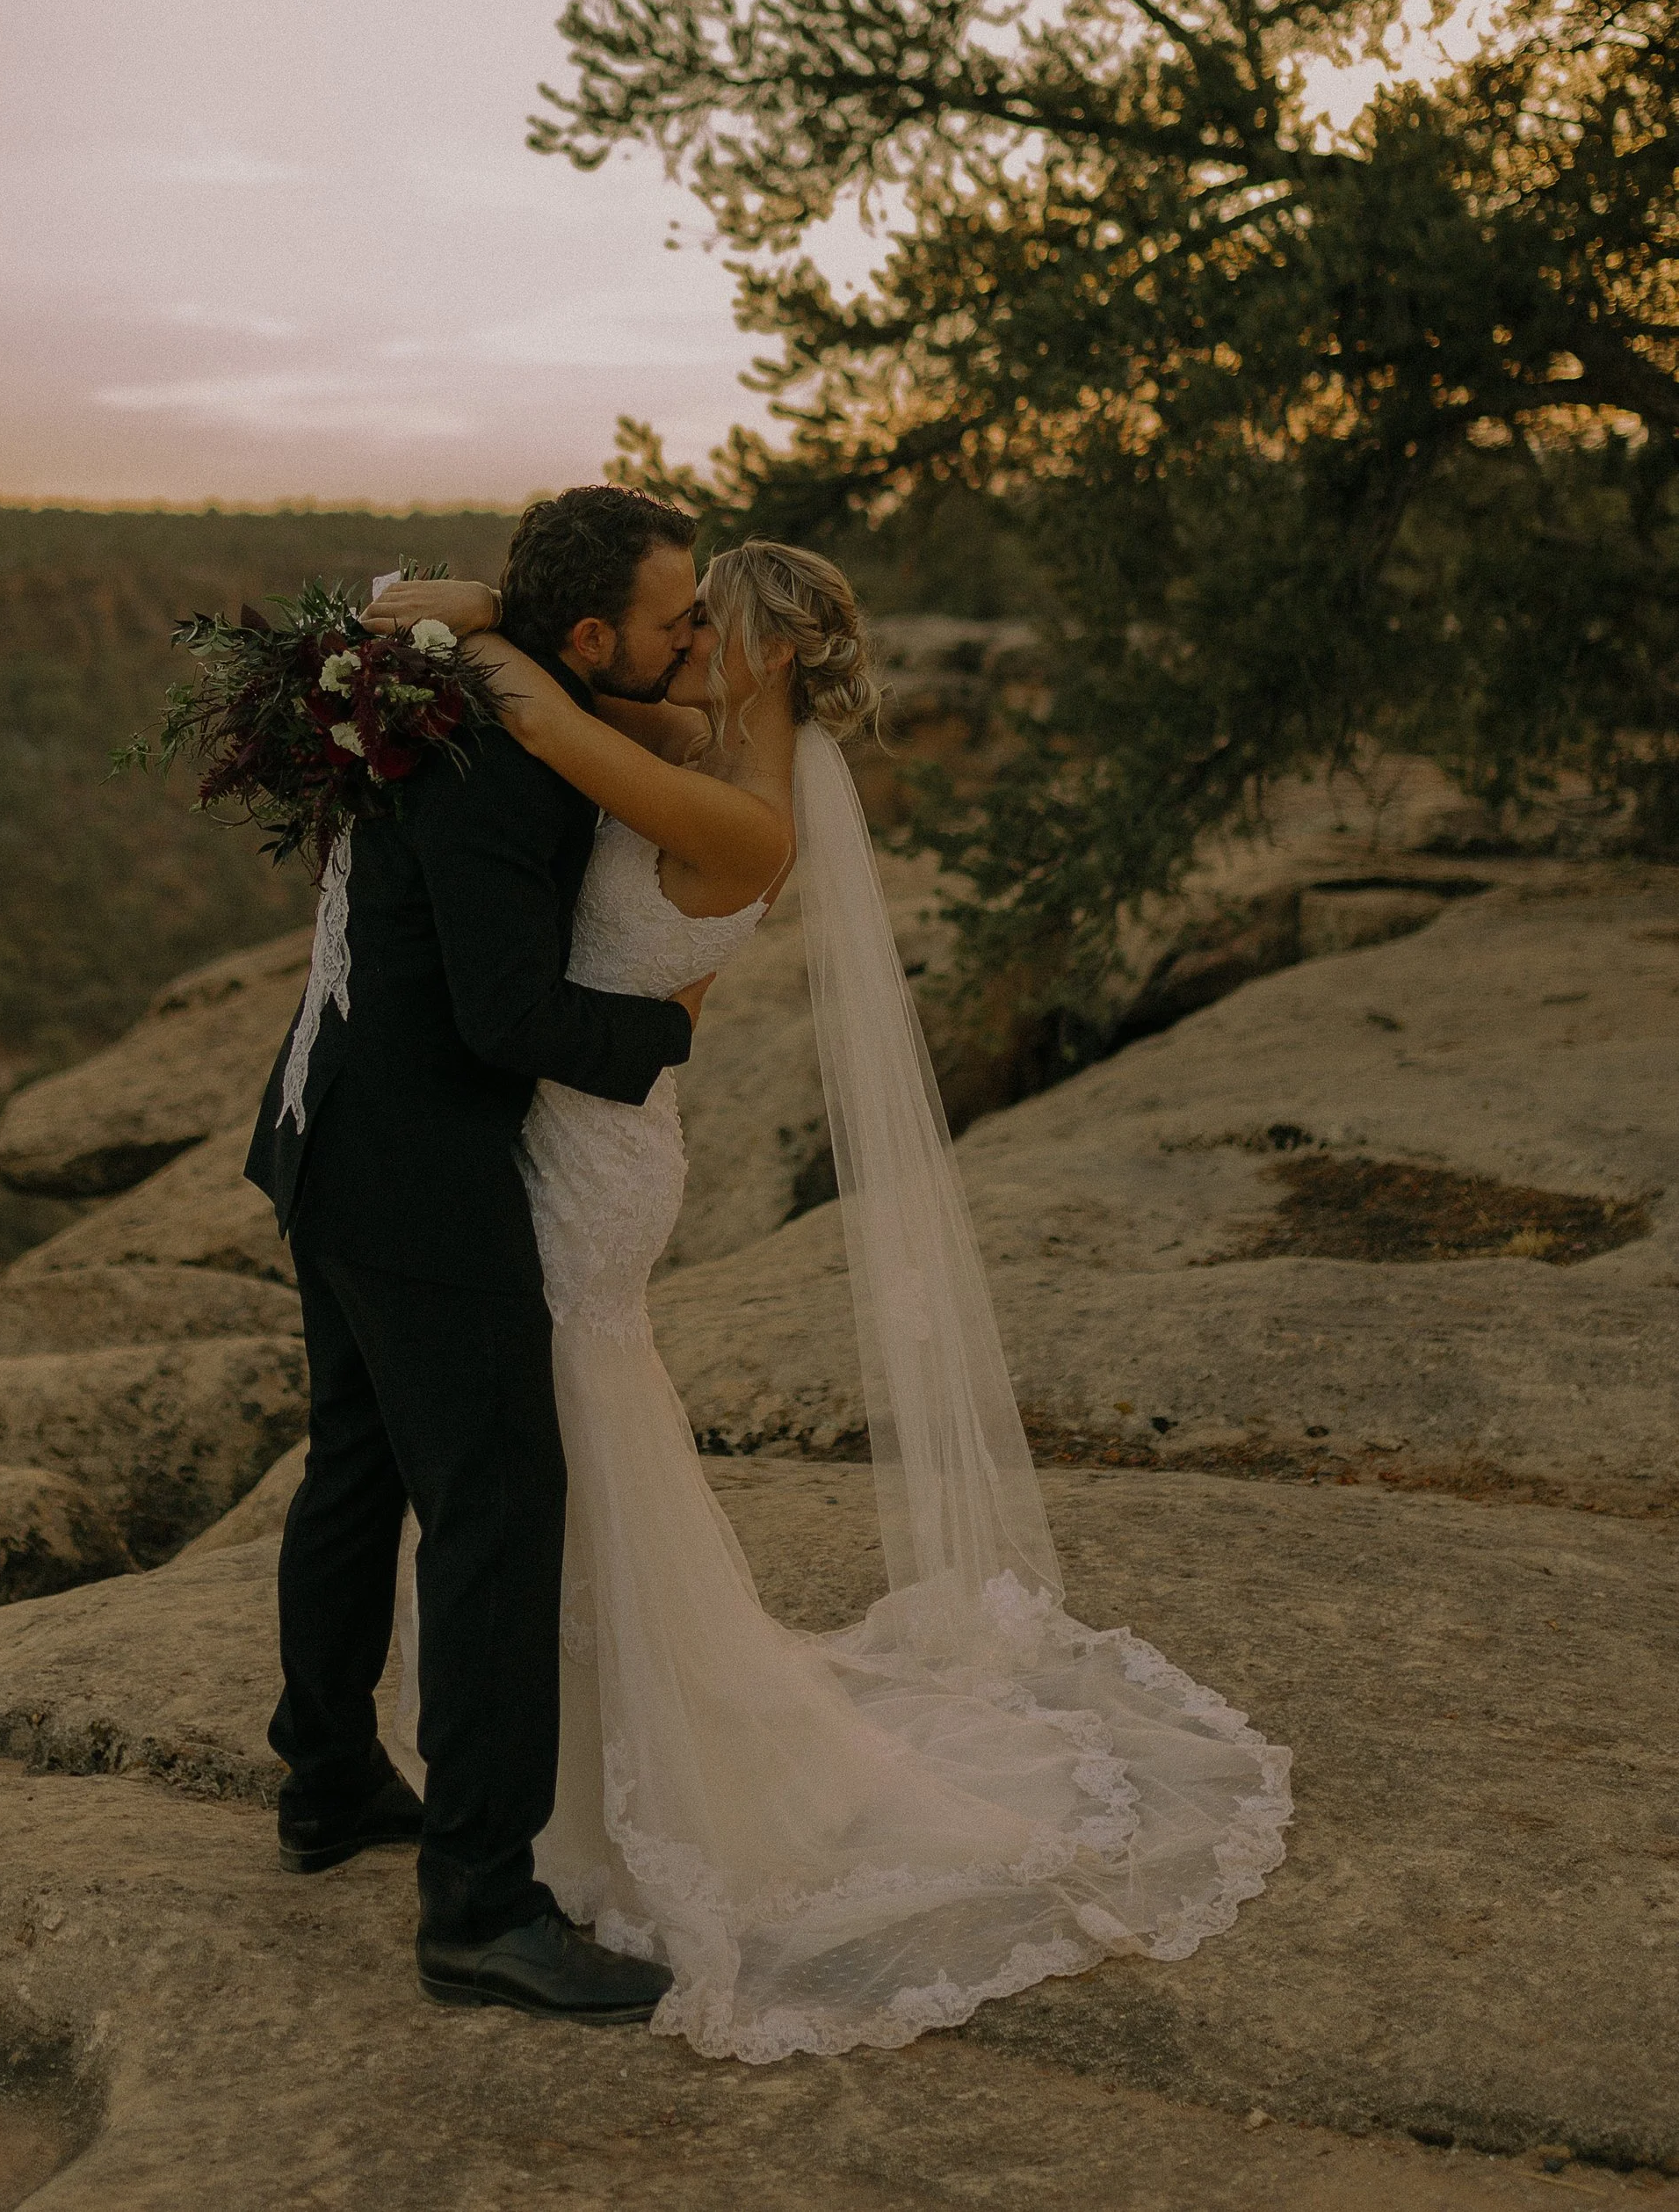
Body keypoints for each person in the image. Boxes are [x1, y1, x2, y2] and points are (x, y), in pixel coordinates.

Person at [357, 539, 1292, 2062]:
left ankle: (582, 1811)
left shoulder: (732, 810)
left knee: (561, 1448)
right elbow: (506, 661)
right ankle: (568, 1781)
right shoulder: (693, 743)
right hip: (572, 1132)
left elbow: (534, 715)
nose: (677, 643)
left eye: (699, 623)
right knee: (561, 1461)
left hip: (587, 1161)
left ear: (765, 653)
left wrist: (493, 643)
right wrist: (475, 609)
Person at [244, 484, 710, 2021]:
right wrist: (667, 1031)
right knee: (498, 1504)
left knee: (359, 1460)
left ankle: (323, 1783)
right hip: (415, 1172)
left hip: (326, 1118)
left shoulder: (465, 683)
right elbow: (506, 1016)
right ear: (591, 636)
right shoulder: (508, 763)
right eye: (672, 616)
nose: (691, 633)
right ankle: (481, 1905)